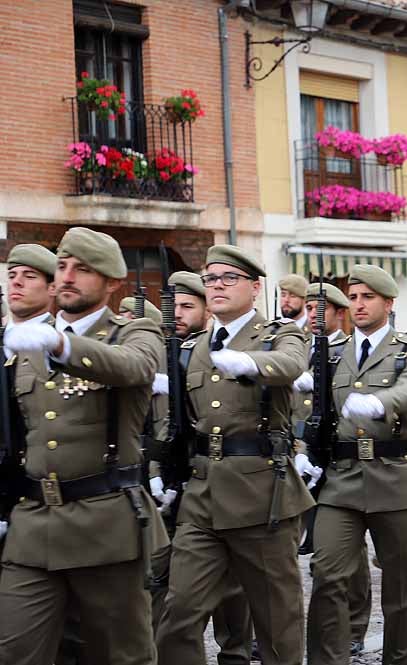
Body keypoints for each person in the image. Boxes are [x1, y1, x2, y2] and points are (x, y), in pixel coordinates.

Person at [0, 228, 167, 665]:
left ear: (112, 282)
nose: (68, 276)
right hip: (34, 525)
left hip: (105, 524)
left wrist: (62, 344)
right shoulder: (30, 343)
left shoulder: (135, 332)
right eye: (63, 267)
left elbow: (134, 367)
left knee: (121, 655)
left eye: (84, 269)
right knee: (15, 649)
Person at [155, 245, 313, 665]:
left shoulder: (280, 334)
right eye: (210, 279)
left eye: (229, 278)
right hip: (202, 496)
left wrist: (247, 361)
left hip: (263, 496)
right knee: (178, 614)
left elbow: (291, 363)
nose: (217, 286)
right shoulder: (191, 347)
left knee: (276, 623)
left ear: (255, 287)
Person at [307, 265, 407, 665]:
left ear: (388, 303)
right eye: (354, 297)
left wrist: (384, 401)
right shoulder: (331, 354)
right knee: (327, 573)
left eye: (368, 298)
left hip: (394, 478)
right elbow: (309, 410)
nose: (358, 305)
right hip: (341, 481)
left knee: (401, 588)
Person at [148, 270, 257, 665]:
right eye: (171, 306)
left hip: (225, 485)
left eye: (186, 306)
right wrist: (158, 473)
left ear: (205, 310)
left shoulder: (213, 351)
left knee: (232, 591)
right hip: (178, 484)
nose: (176, 314)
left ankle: (235, 652)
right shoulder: (165, 353)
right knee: (171, 589)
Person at [293, 282, 372, 657]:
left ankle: (355, 626)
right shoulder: (296, 348)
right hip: (302, 456)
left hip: (339, 457)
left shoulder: (349, 351)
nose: (312, 315)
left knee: (349, 553)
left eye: (320, 308)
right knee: (310, 549)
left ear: (339, 313)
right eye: (309, 308)